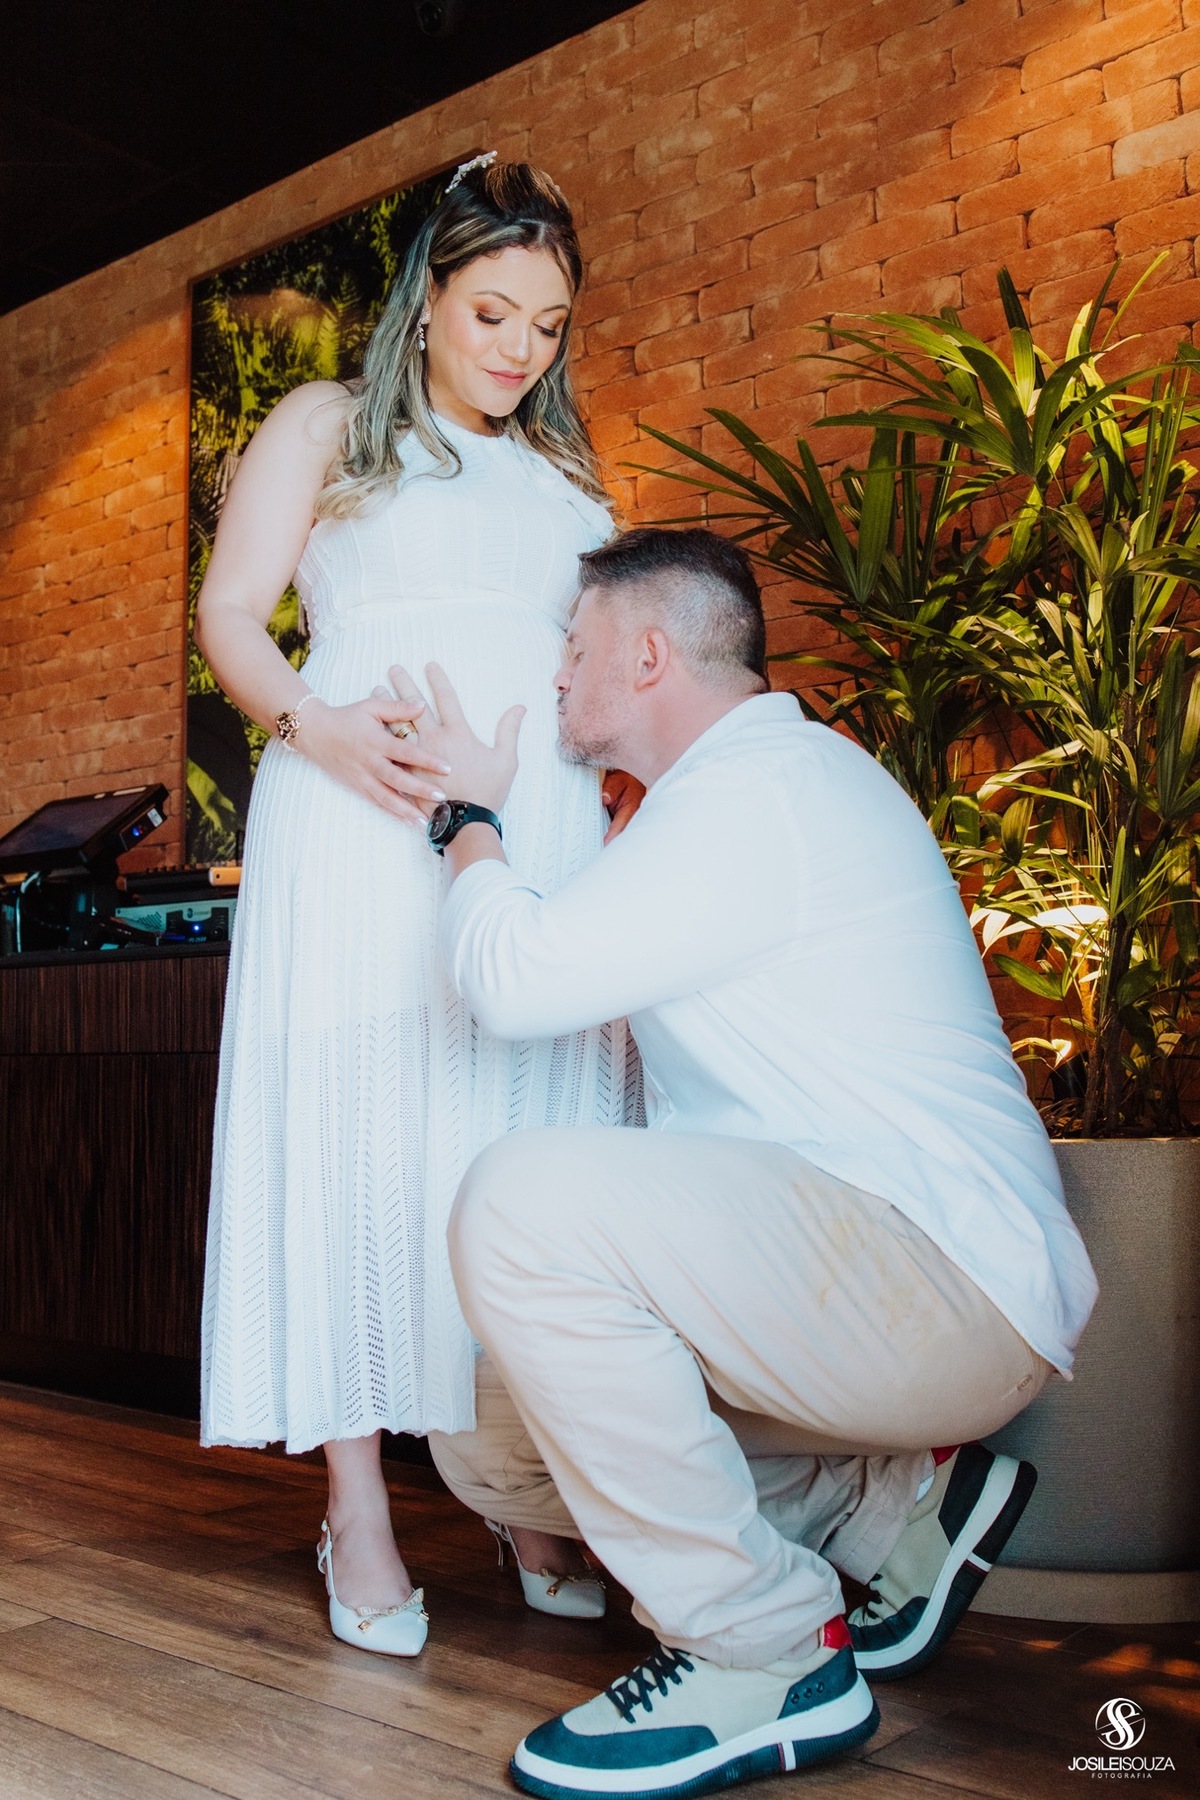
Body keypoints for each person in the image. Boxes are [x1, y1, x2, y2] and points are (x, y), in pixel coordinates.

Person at [389, 525, 1099, 1797]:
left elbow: (511, 978)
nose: (556, 672)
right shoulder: (723, 801)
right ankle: (888, 1514)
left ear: (648, 654)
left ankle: (760, 1652)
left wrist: (465, 818)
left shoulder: (759, 789)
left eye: (575, 645)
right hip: (870, 1283)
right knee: (482, 1438)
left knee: (520, 1204)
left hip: (938, 1279)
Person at [193, 156, 641, 1657]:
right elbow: (230, 615)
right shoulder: (328, 424)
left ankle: (514, 1483)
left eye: (549, 325)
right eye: (493, 312)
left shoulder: (568, 475)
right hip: (358, 824)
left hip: (533, 836)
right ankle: (359, 1506)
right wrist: (316, 727)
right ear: (428, 298)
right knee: (363, 1140)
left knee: (512, 1144)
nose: (520, 348)